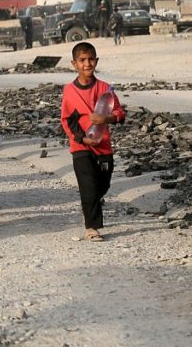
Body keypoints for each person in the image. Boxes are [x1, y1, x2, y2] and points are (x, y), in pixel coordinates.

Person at [60, 42, 126, 242]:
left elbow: (119, 114)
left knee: (102, 184)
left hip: (103, 147)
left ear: (96, 61)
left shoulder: (104, 88)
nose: (87, 64)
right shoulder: (70, 91)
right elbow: (67, 120)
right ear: (74, 64)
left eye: (90, 59)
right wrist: (82, 138)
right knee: (87, 185)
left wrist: (105, 119)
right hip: (80, 146)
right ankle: (92, 227)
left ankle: (90, 206)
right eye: (82, 60)